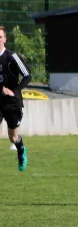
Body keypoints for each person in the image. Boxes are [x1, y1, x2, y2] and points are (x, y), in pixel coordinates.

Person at [0, 26, 31, 171]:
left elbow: (27, 75)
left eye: (0, 37)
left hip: (12, 102)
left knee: (13, 136)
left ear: (5, 39)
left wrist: (15, 91)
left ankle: (21, 150)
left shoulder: (12, 57)